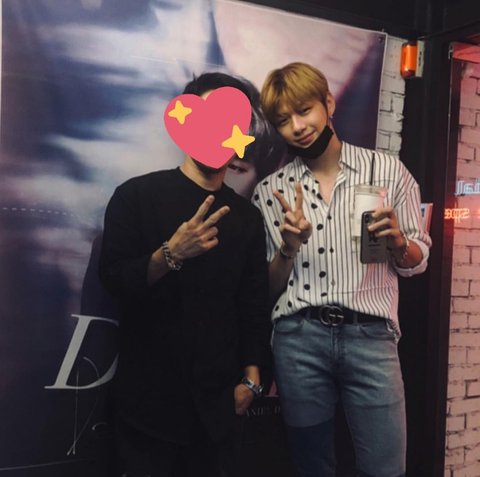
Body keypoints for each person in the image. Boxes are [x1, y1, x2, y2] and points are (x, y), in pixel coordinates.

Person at [252, 62, 432, 477]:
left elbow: (418, 260)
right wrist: (288, 248)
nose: (298, 127)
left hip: (371, 337)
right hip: (298, 340)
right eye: (284, 120)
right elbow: (266, 290)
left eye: (304, 111)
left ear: (328, 103)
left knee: (386, 466)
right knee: (311, 464)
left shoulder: (387, 172)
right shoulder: (270, 191)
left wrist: (400, 244)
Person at [99, 72, 271, 477]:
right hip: (147, 406)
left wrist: (252, 380)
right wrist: (170, 254)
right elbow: (114, 279)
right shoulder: (135, 196)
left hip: (218, 410)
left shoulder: (247, 217)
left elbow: (252, 305)